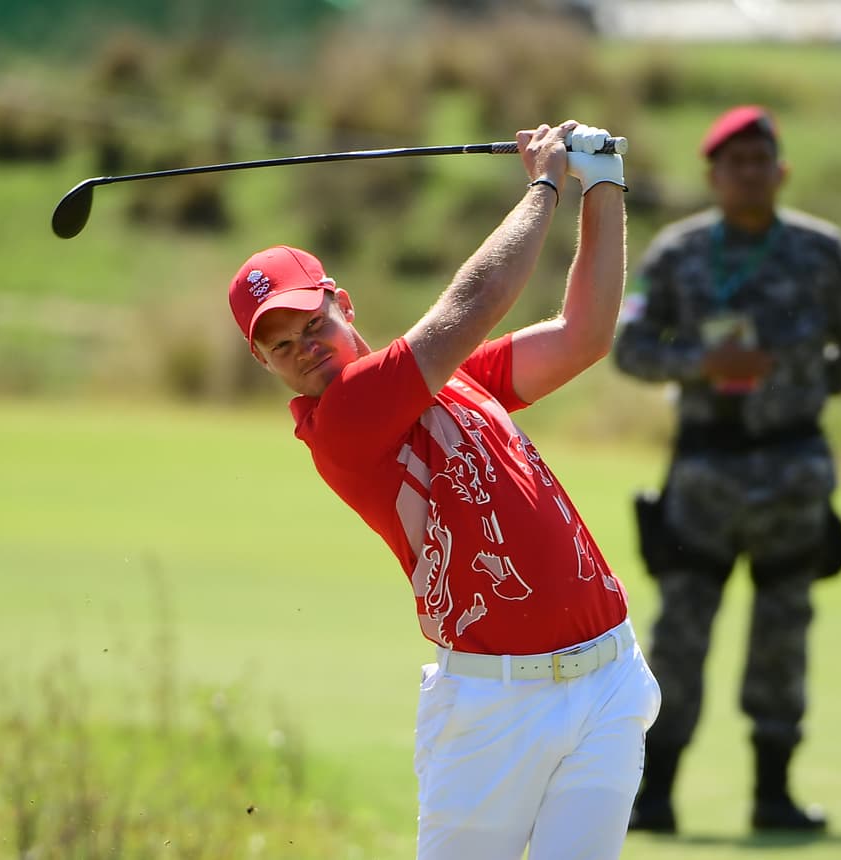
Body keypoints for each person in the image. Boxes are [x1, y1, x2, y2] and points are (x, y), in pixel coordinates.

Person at [226, 120, 660, 860]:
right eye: (282, 344)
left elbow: (584, 337)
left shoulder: (450, 381)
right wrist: (547, 185)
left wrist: (606, 183)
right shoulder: (344, 420)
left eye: (312, 322)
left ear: (344, 303)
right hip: (494, 710)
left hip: (608, 679)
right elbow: (477, 301)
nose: (306, 350)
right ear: (264, 364)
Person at [614, 105, 841, 834]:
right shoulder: (676, 254)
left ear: (782, 170)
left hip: (792, 472)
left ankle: (774, 795)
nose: (748, 173)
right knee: (679, 634)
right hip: (705, 470)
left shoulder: (823, 251)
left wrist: (798, 389)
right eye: (733, 162)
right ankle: (656, 795)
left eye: (760, 159)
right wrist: (703, 366)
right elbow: (629, 347)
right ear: (712, 175)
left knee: (783, 633)